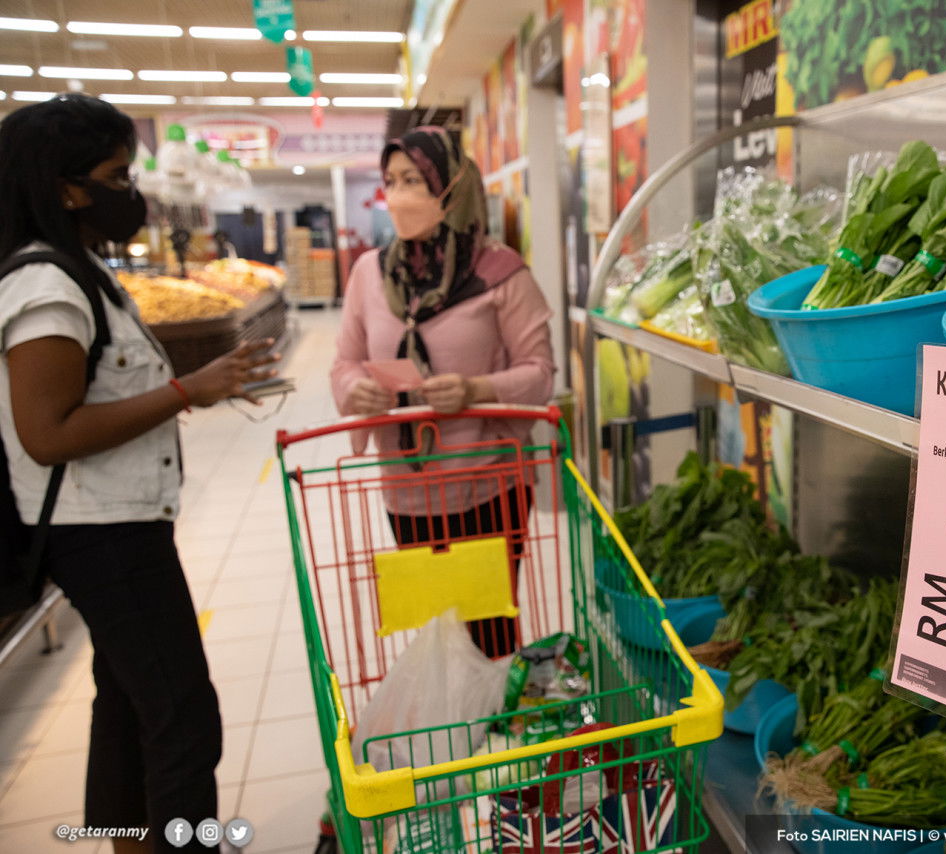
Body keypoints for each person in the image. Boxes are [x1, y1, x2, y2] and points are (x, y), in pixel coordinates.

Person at [0, 94, 279, 853]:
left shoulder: (81, 270)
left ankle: (132, 842)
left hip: (118, 526)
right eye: (117, 173)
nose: (132, 190)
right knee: (183, 717)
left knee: (126, 704)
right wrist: (190, 389)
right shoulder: (46, 287)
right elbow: (47, 433)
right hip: (101, 538)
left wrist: (197, 389)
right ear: (65, 186)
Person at [331, 126, 554, 657]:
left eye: (415, 180)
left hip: (488, 484)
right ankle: (454, 728)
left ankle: (500, 724)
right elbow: (344, 363)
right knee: (437, 632)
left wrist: (477, 389)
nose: (399, 194)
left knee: (489, 628)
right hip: (407, 489)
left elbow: (541, 373)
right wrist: (358, 389)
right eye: (391, 181)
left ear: (452, 187)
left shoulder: (501, 274)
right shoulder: (368, 274)